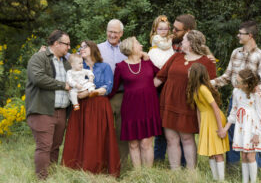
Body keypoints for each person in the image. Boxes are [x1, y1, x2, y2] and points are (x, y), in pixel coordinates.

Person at [154, 30, 216, 169]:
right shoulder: (176, 57)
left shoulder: (206, 61)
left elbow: (211, 86)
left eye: (184, 40)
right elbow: (160, 78)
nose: (181, 42)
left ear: (192, 43)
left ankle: (191, 172)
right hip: (169, 102)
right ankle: (175, 172)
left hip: (188, 104)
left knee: (187, 139)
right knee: (171, 139)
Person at [211, 21, 261, 168]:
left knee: (254, 137)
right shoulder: (236, 52)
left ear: (250, 35)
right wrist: (210, 83)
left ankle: (257, 170)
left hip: (252, 102)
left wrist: (258, 89)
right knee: (232, 133)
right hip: (236, 100)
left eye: (240, 33)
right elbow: (227, 76)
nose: (238, 35)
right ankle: (233, 169)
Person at [62, 40, 120, 176]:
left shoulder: (104, 67)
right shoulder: (79, 68)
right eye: (80, 47)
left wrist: (90, 92)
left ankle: (100, 169)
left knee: (98, 136)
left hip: (100, 106)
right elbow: (72, 83)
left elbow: (108, 87)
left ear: (92, 48)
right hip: (82, 106)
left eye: (84, 47)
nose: (81, 49)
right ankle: (78, 169)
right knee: (81, 135)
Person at [109, 37, 162, 168]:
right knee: (133, 143)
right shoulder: (121, 66)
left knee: (146, 143)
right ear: (131, 48)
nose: (141, 46)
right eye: (138, 44)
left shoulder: (147, 63)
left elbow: (161, 74)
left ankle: (147, 174)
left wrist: (147, 59)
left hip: (149, 105)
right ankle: (138, 175)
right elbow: (114, 88)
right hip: (131, 107)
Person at [25, 30, 71, 179]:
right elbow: (38, 78)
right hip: (42, 110)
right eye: (67, 44)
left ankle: (51, 177)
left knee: (55, 147)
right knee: (44, 147)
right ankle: (42, 179)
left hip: (61, 112)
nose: (69, 47)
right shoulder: (39, 57)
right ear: (56, 43)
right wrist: (62, 85)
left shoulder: (65, 62)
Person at [154, 14, 198, 164]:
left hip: (184, 95)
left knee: (185, 133)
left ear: (189, 30)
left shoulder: (197, 49)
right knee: (163, 132)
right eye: (172, 27)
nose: (172, 31)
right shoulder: (167, 43)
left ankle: (187, 167)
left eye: (176, 29)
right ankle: (159, 162)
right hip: (165, 91)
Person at [220, 69, 261, 183]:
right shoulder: (236, 91)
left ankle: (253, 181)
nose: (236, 82)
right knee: (244, 156)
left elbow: (260, 115)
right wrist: (225, 128)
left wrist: (257, 133)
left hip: (252, 127)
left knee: (250, 156)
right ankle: (245, 181)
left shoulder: (256, 94)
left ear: (246, 84)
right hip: (241, 127)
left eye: (238, 81)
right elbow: (233, 112)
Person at [186, 63, 229, 181]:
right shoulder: (194, 89)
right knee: (210, 151)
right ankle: (215, 178)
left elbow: (215, 108)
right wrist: (200, 127)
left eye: (190, 70)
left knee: (217, 152)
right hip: (206, 120)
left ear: (195, 74)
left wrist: (221, 128)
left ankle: (221, 180)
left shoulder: (203, 89)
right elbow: (199, 110)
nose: (187, 72)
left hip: (215, 119)